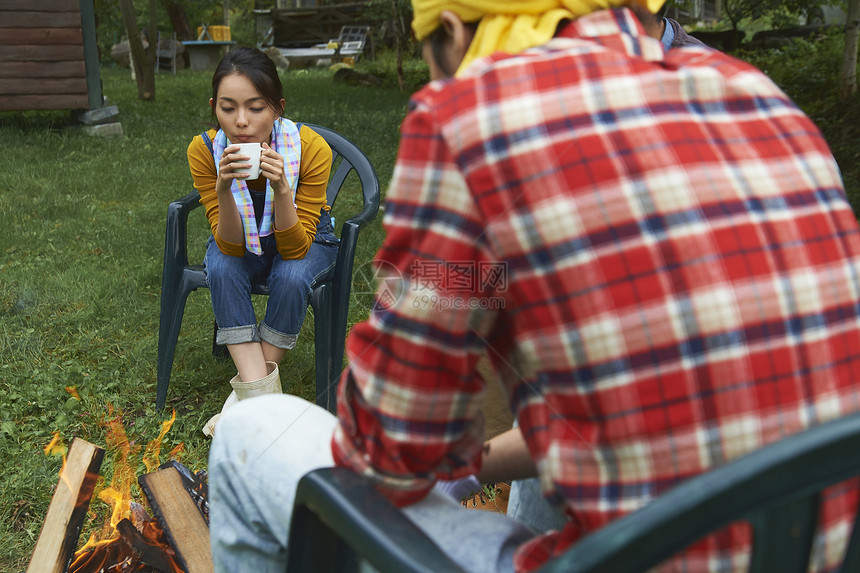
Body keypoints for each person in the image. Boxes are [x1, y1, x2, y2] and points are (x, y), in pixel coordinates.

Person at [208, 1, 860, 572]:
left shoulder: (471, 115)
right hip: (814, 546)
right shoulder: (758, 96)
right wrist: (472, 457)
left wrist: (425, 287)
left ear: (456, 32)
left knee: (249, 435)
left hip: (630, 554)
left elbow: (384, 451)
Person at [187, 47, 339, 437]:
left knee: (290, 276)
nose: (241, 122)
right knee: (221, 266)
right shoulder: (204, 151)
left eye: (256, 108)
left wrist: (282, 188)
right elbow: (231, 247)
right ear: (214, 107)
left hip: (304, 238)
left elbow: (296, 249)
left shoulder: (310, 148)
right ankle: (263, 403)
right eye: (228, 108)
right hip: (239, 239)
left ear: (277, 108)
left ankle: (244, 403)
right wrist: (224, 190)